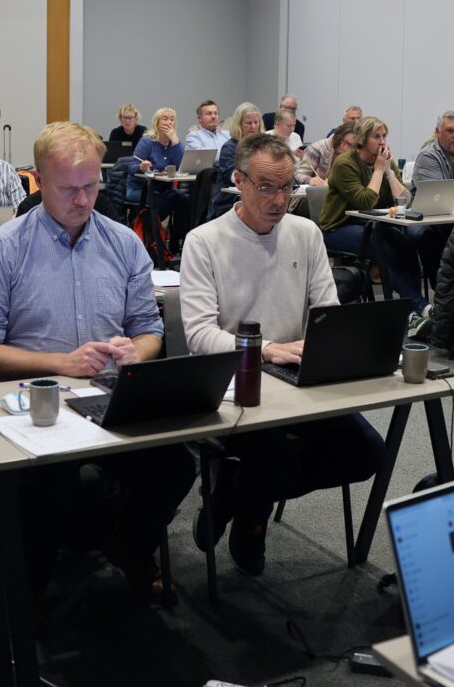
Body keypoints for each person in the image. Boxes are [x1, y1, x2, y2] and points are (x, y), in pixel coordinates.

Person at [0, 122, 194, 599]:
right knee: (53, 480)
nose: (83, 200)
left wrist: (137, 351)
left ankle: (127, 545)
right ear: (39, 181)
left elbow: (148, 331)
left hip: (108, 396)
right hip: (32, 406)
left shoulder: (123, 243)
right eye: (68, 188)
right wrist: (62, 363)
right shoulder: (6, 248)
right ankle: (30, 595)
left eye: (91, 186)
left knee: (175, 465)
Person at [180, 132, 383, 575]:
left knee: (368, 453)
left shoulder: (305, 233)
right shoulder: (204, 241)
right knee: (279, 461)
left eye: (288, 187)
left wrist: (330, 347)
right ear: (238, 181)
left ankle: (237, 489)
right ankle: (252, 520)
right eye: (266, 187)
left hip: (297, 376)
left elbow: (326, 311)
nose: (279, 199)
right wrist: (266, 350)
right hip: (238, 383)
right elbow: (198, 335)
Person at [317, 116, 430, 322]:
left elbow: (405, 199)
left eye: (384, 136)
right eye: (376, 136)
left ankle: (413, 311)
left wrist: (388, 173)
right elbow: (365, 202)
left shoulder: (385, 161)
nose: (382, 142)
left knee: (405, 245)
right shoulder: (344, 164)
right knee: (382, 247)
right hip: (337, 227)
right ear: (362, 139)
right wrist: (378, 170)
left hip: (371, 224)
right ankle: (420, 307)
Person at [127, 107, 190, 248]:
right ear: (156, 122)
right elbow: (131, 168)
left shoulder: (175, 144)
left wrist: (175, 142)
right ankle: (153, 242)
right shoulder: (147, 141)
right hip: (140, 189)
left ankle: (175, 239)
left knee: (183, 201)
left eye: (172, 119)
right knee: (162, 204)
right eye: (165, 118)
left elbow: (182, 166)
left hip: (162, 188)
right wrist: (141, 167)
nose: (169, 122)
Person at [209, 102, 261, 220]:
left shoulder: (262, 146)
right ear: (239, 125)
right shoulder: (230, 147)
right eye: (248, 123)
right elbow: (233, 176)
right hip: (229, 202)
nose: (253, 126)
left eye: (256, 122)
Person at [296, 121, 356, 187]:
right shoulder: (317, 149)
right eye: (345, 142)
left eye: (351, 145)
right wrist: (310, 180)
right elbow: (299, 174)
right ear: (339, 136)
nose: (346, 148)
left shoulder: (354, 154)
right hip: (315, 194)